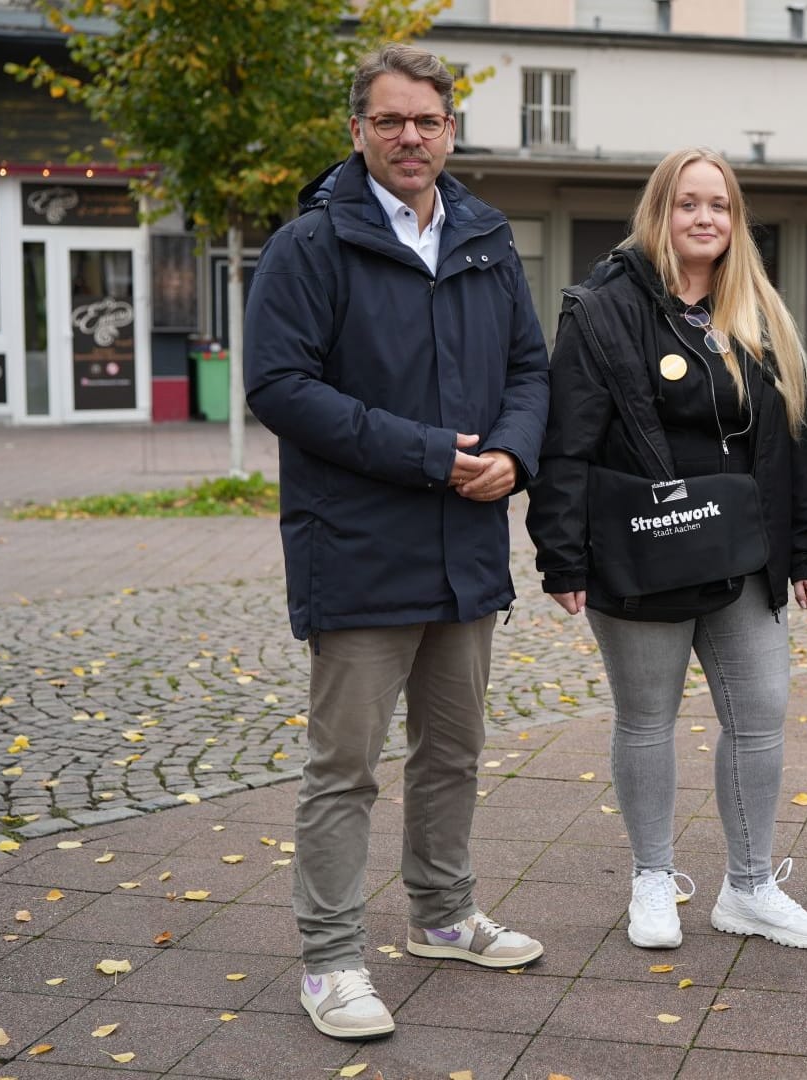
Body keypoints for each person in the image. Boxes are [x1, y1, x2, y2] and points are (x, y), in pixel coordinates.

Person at [245, 44, 550, 1040]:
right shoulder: (309, 246)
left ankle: (443, 915)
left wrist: (515, 453)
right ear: (357, 131)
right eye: (390, 120)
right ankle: (332, 959)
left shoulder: (486, 237)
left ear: (450, 130)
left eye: (426, 120)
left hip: (467, 548)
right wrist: (426, 453)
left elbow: (529, 370)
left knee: (452, 751)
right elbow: (280, 387)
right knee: (346, 768)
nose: (409, 136)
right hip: (357, 546)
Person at [526, 148, 807, 952]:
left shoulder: (758, 311)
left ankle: (750, 888)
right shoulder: (602, 310)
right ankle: (652, 879)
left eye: (720, 205)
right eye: (688, 203)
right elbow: (567, 442)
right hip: (643, 550)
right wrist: (561, 554)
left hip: (744, 553)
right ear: (659, 212)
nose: (706, 218)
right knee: (646, 721)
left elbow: (790, 440)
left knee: (760, 715)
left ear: (737, 220)